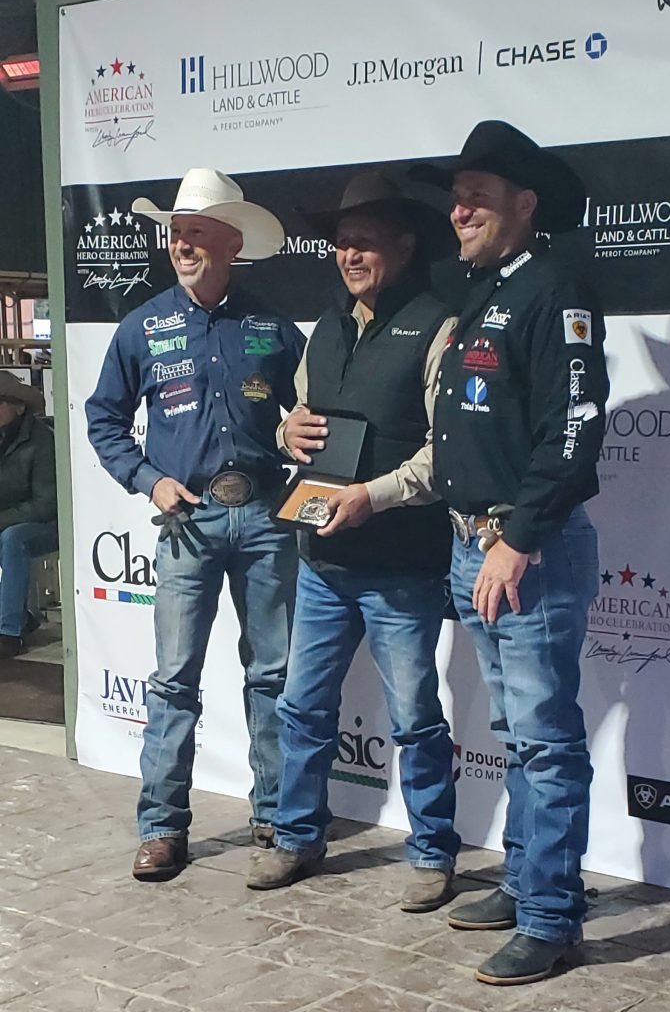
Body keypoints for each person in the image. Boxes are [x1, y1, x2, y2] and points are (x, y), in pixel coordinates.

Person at [412, 121, 609, 984]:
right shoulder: (485, 292)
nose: (461, 211)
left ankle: (551, 919)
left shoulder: (553, 287)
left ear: (524, 206)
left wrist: (516, 539)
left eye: (479, 197)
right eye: (457, 199)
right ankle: (530, 881)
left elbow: (574, 428)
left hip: (521, 553)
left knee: (546, 742)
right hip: (473, 548)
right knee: (518, 735)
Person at [246, 171, 461, 912]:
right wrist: (285, 429)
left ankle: (433, 851)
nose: (349, 254)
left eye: (365, 241)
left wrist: (374, 496)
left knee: (415, 720)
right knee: (302, 708)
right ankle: (297, 836)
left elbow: (448, 453)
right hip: (320, 562)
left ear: (403, 245)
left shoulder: (440, 324)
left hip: (402, 566)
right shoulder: (327, 328)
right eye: (341, 242)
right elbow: (299, 418)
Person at [86, 168, 305, 883]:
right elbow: (103, 420)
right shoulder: (142, 326)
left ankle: (274, 815)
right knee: (174, 681)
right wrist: (150, 480)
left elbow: (310, 419)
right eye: (176, 233)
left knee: (271, 675)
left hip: (268, 516)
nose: (181, 244)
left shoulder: (274, 326)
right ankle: (160, 829)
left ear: (231, 243)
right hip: (187, 521)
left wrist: (297, 439)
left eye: (196, 233)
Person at [0, 373, 58, 659]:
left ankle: (10, 634)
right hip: (12, 520)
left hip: (51, 524)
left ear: (18, 407)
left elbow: (47, 505)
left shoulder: (42, 441)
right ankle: (19, 616)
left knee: (13, 540)